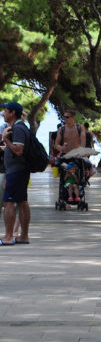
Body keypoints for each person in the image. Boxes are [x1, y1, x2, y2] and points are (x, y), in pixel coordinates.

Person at [1, 102, 30, 245]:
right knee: (22, 202)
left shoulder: (17, 128)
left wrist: (5, 139)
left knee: (8, 202)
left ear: (12, 113)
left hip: (17, 171)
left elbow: (18, 150)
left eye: (5, 111)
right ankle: (23, 236)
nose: (3, 113)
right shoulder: (19, 127)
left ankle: (7, 237)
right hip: (17, 171)